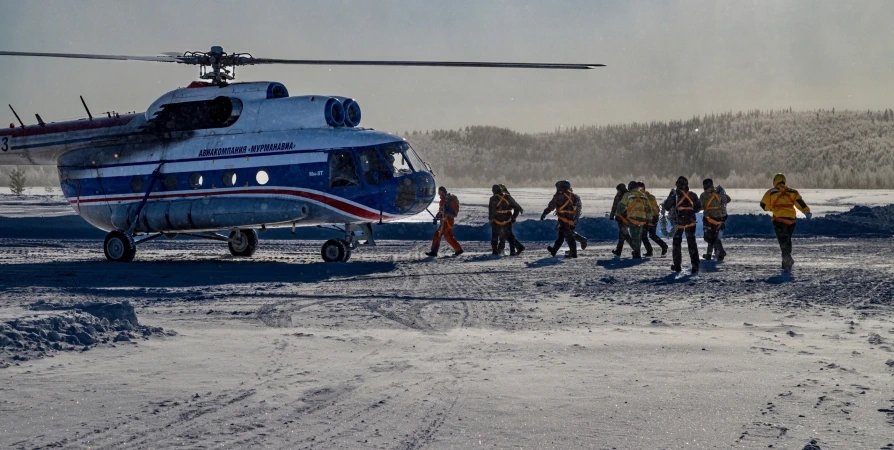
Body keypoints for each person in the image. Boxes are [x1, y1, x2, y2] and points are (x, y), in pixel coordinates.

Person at [760, 173, 811, 272]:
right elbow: (800, 203)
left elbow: (763, 205)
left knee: (783, 242)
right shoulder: (792, 192)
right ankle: (787, 261)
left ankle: (787, 262)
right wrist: (807, 212)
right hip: (791, 221)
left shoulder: (771, 192)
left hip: (779, 220)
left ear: (775, 181)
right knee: (787, 240)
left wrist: (772, 208)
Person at [662, 176, 702, 274]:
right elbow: (698, 207)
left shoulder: (674, 194)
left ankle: (677, 266)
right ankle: (695, 266)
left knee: (676, 244)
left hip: (678, 223)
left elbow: (667, 206)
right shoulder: (692, 195)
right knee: (692, 243)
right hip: (691, 222)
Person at [540, 180, 582, 258]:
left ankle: (572, 253)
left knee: (567, 237)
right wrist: (575, 219)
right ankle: (554, 250)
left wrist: (545, 213)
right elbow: (578, 209)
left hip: (563, 220)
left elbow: (551, 206)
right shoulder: (574, 196)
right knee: (562, 236)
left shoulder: (558, 196)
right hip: (571, 220)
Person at [615, 181, 653, 259]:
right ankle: (636, 251)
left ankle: (637, 253)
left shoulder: (627, 195)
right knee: (638, 235)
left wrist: (617, 214)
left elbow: (621, 205)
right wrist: (649, 218)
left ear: (629, 188)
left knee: (633, 235)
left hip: (632, 218)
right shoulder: (643, 195)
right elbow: (649, 209)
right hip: (642, 219)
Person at [426, 186, 464, 257]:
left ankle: (434, 251)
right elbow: (441, 212)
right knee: (448, 236)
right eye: (439, 193)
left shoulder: (450, 200)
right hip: (444, 222)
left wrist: (445, 214)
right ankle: (458, 250)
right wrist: (437, 216)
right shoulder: (442, 201)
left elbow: (453, 213)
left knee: (437, 234)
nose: (440, 194)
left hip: (447, 222)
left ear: (444, 192)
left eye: (441, 192)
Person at [700, 178, 732, 261]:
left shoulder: (703, 195)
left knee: (708, 237)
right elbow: (728, 199)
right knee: (714, 235)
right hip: (719, 219)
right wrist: (720, 193)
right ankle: (709, 254)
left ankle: (721, 252)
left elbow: (700, 206)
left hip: (709, 219)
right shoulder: (718, 194)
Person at [489, 184, 525, 255]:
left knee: (495, 236)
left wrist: (491, 219)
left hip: (497, 221)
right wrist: (513, 218)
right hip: (507, 221)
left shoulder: (493, 199)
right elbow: (517, 208)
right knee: (509, 236)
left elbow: (492, 211)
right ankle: (513, 251)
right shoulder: (508, 197)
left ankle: (495, 251)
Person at [638, 181, 668, 257]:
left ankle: (652, 250)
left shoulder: (646, 197)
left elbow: (651, 208)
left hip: (651, 217)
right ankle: (660, 247)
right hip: (651, 217)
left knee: (646, 235)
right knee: (649, 235)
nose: (639, 190)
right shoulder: (647, 196)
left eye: (640, 188)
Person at [609, 183, 634, 256]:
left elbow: (614, 206)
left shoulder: (620, 196)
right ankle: (618, 251)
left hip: (621, 218)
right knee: (622, 234)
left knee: (625, 234)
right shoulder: (629, 194)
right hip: (629, 217)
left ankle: (635, 248)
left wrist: (612, 215)